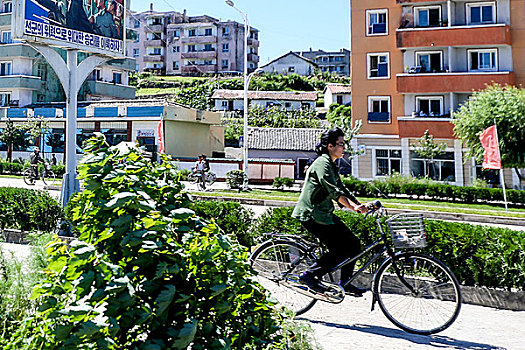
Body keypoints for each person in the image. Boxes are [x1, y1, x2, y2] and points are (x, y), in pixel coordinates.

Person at [292, 128, 368, 296]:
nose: (344, 148)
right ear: (330, 146)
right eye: (341, 144)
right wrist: (353, 208)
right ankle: (310, 275)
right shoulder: (322, 163)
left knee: (354, 244)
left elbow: (342, 188)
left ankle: (345, 283)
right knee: (339, 250)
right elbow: (334, 191)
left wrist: (359, 204)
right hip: (311, 215)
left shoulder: (332, 164)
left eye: (344, 144)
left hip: (323, 214)